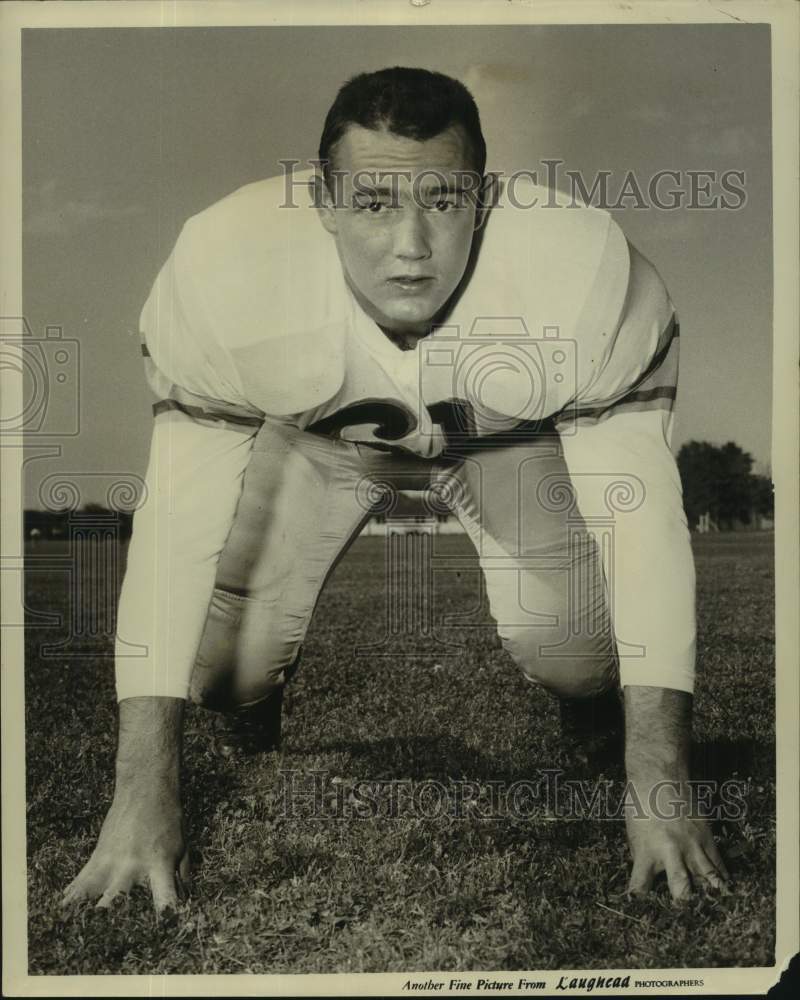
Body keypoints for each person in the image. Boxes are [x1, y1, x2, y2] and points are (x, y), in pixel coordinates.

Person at [62, 67, 729, 915]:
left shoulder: (583, 268)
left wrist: (661, 780)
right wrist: (139, 795)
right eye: (374, 203)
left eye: (443, 201)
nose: (411, 245)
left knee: (571, 652)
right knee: (224, 669)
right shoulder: (224, 267)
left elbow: (642, 526)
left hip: (502, 438)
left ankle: (590, 714)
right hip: (317, 442)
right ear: (324, 203)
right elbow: (174, 529)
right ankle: (251, 707)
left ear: (484, 201)